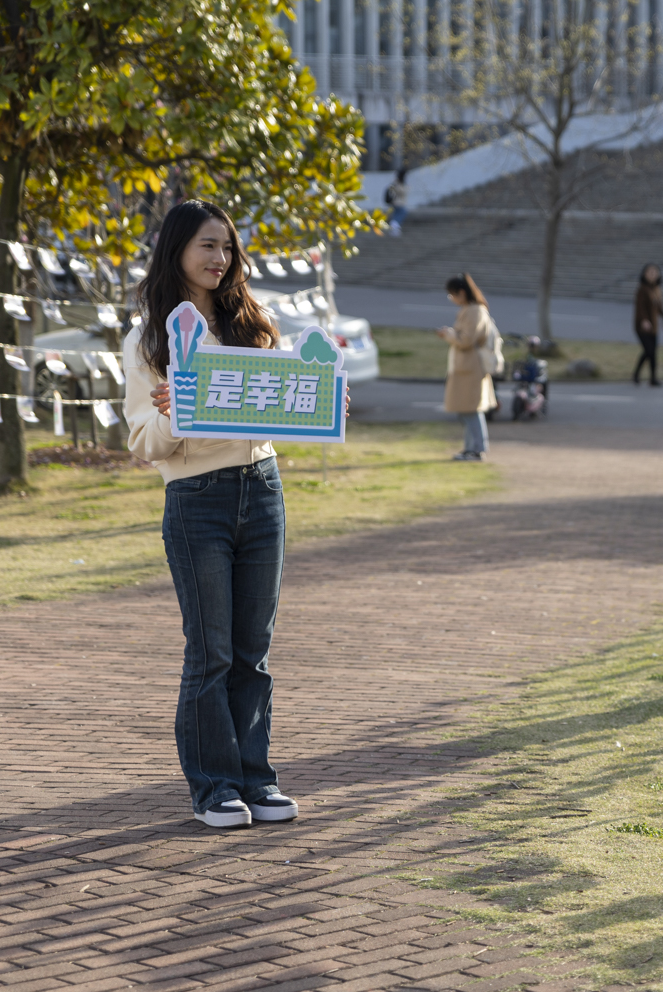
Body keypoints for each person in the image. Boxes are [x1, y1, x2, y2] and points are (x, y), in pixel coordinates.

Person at [125, 199, 333, 830]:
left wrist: (319, 396)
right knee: (211, 651)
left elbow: (274, 412)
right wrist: (171, 409)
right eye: (206, 247)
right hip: (197, 500)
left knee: (253, 651)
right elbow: (142, 442)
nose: (219, 259)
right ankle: (214, 786)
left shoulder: (253, 323)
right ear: (177, 252)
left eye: (226, 247)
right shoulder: (150, 338)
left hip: (262, 491)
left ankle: (256, 778)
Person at [439, 273, 497, 461]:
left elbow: (466, 340)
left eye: (452, 295)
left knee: (471, 410)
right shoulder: (473, 309)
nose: (452, 299)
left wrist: (448, 334)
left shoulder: (474, 311)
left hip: (471, 367)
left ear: (461, 293)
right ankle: (470, 448)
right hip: (467, 366)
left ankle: (477, 449)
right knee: (467, 410)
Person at [632, 263, 663, 387]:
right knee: (649, 350)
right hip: (642, 326)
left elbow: (659, 306)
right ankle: (636, 375)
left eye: (655, 273)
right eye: (650, 272)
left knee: (653, 353)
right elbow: (640, 307)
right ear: (644, 274)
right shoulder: (642, 289)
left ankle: (652, 378)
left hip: (653, 326)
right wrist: (644, 320)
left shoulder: (656, 290)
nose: (653, 275)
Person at [384, 169, 408, 237]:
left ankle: (394, 228)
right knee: (402, 212)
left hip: (399, 202)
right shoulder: (396, 183)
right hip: (398, 202)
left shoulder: (399, 183)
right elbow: (400, 191)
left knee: (396, 214)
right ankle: (394, 225)